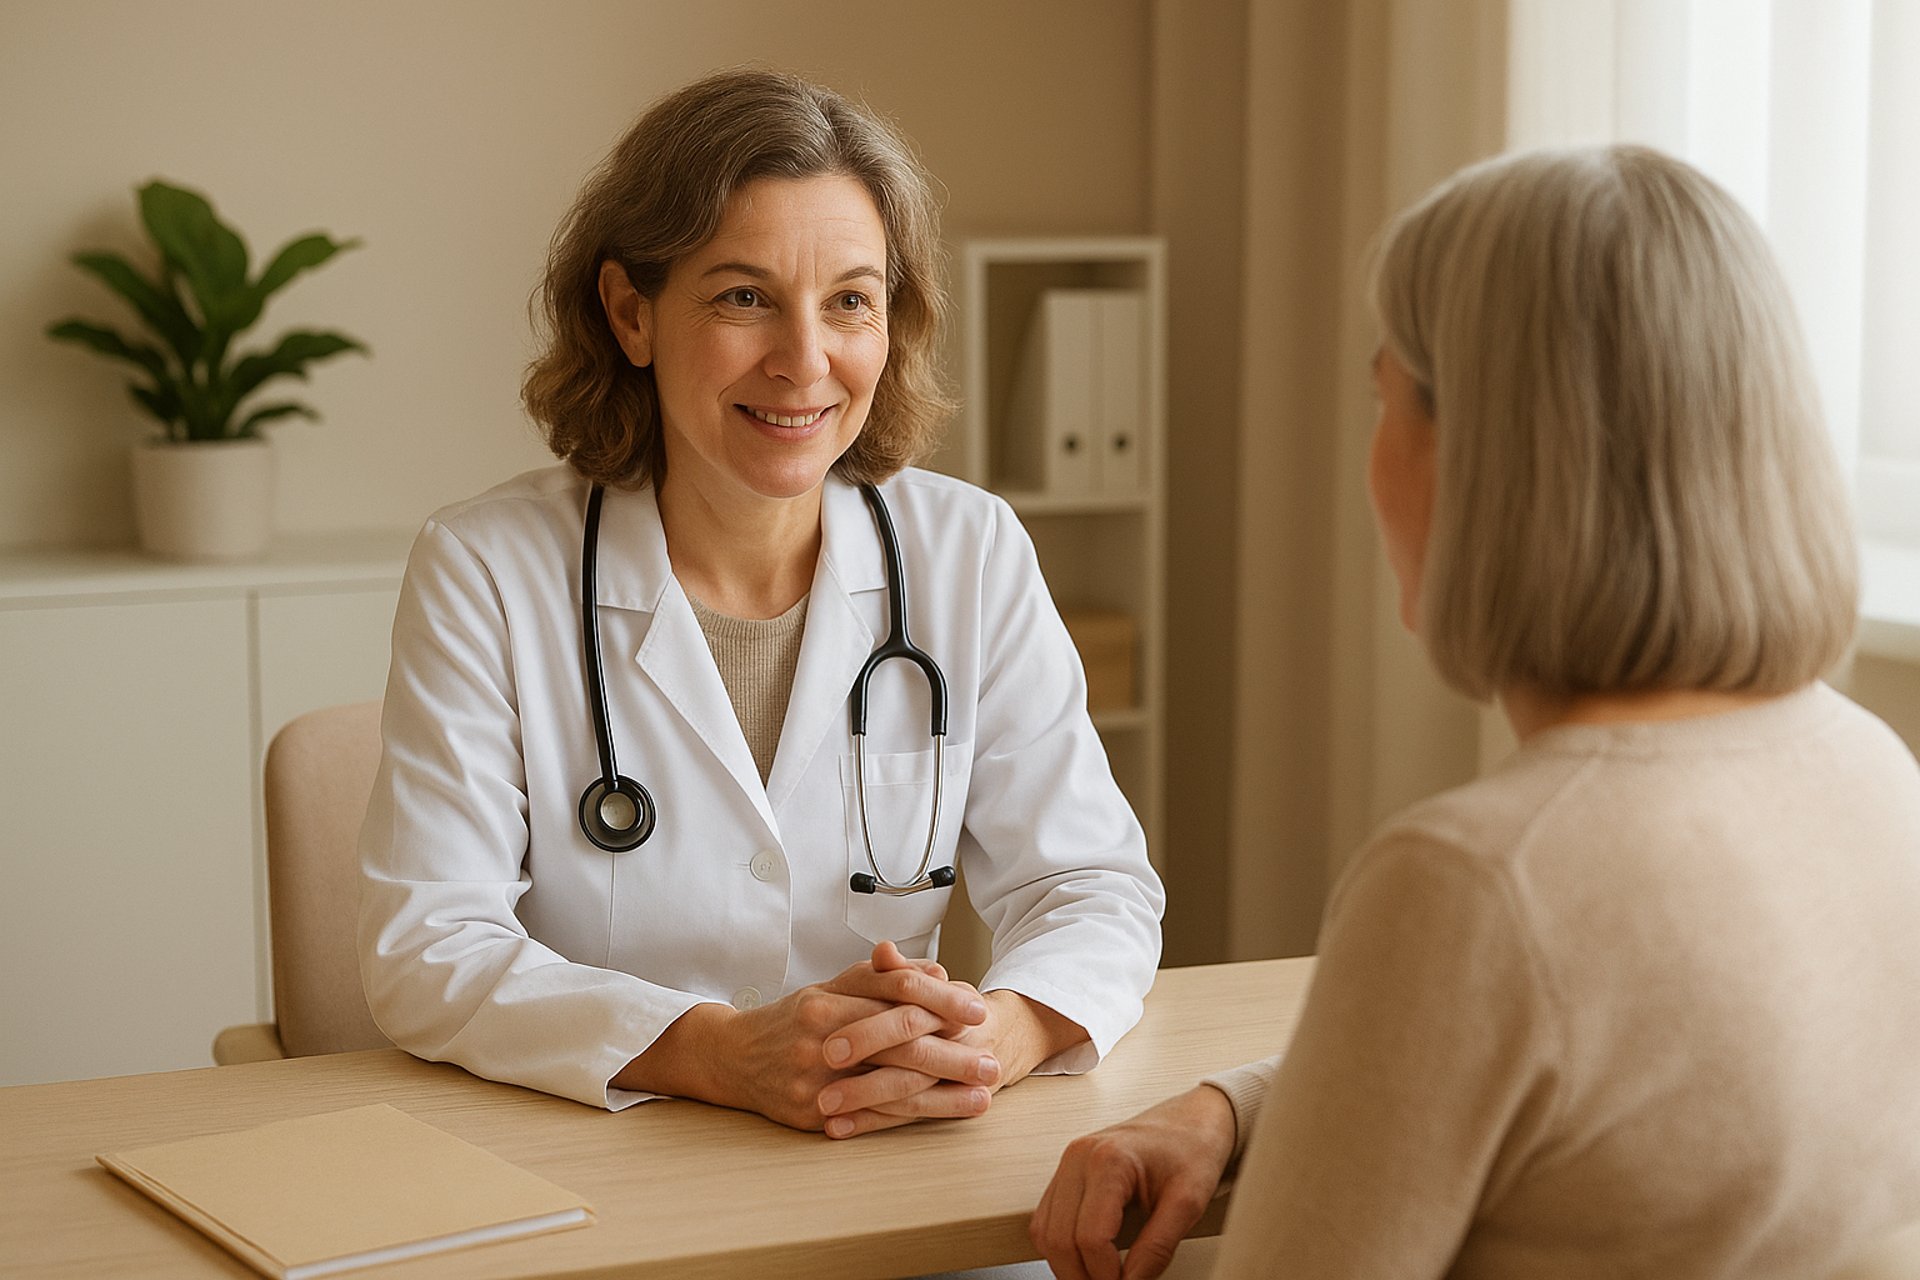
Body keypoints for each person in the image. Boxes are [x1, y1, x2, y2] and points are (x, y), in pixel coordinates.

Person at [1032, 144, 1920, 1279]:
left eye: (1385, 395)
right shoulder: (1868, 769)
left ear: (1488, 456)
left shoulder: (1474, 882)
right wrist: (1234, 1106)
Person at [358, 68, 1163, 1136]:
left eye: (849, 302)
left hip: (896, 1146)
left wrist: (990, 1035)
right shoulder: (488, 568)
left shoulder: (967, 552)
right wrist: (721, 1053)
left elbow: (1093, 887)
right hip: (609, 1156)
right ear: (630, 311)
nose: (804, 360)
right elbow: (429, 944)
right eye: (743, 297)